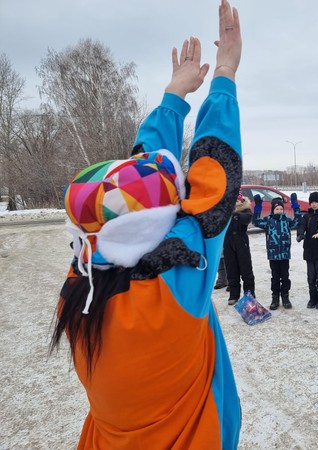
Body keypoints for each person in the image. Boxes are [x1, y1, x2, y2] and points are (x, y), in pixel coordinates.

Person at [50, 2, 242, 448]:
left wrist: (174, 96)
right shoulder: (172, 291)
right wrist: (224, 73)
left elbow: (122, 206)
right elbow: (215, 182)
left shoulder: (76, 295)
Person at [252, 194, 302, 310]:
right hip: (273, 255)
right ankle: (275, 298)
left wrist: (295, 206)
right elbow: (255, 221)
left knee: (285, 276)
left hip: (284, 254)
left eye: (280, 209)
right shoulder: (268, 221)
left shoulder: (286, 220)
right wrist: (258, 208)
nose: (279, 211)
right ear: (273, 210)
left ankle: (285, 297)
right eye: (276, 209)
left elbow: (298, 220)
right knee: (275, 277)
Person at [297, 191, 318, 309]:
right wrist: (300, 234)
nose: (314, 204)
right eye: (312, 202)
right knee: (311, 277)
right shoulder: (306, 216)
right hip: (309, 250)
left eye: (316, 202)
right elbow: (301, 225)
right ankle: (313, 299)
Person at [223, 189, 255, 305]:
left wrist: (236, 215)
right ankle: (234, 294)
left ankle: (249, 294)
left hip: (241, 241)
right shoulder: (224, 210)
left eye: (237, 199)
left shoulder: (245, 209)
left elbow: (247, 218)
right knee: (231, 269)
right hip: (228, 242)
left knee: (246, 269)